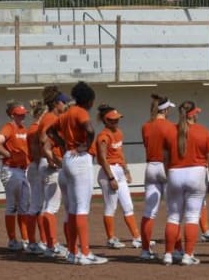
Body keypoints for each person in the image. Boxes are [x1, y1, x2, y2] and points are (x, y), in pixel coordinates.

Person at [48, 81, 108, 265]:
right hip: (80, 160)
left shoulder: (66, 113)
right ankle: (85, 253)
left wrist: (63, 144)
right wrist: (84, 146)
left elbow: (50, 130)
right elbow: (90, 130)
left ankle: (73, 253)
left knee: (73, 209)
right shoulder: (81, 112)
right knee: (81, 208)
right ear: (88, 100)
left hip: (67, 159)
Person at [161, 101, 209, 266]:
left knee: (173, 217)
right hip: (196, 173)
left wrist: (169, 174)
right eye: (196, 112)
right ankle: (188, 255)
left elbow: (165, 159)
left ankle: (168, 255)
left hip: (175, 173)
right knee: (192, 217)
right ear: (193, 114)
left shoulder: (170, 131)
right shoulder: (203, 131)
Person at [93, 104, 142, 250]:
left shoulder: (119, 133)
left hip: (119, 170)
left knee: (128, 205)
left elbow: (120, 153)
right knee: (111, 207)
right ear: (105, 120)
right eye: (112, 120)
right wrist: (111, 178)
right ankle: (111, 239)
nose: (116, 122)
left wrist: (126, 170)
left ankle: (137, 238)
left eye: (117, 119)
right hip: (109, 172)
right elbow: (102, 158)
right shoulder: (103, 135)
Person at [139, 94, 177, 259]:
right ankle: (175, 250)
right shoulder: (171, 127)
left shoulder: (146, 126)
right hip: (166, 167)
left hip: (151, 167)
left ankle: (145, 250)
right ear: (166, 109)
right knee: (173, 213)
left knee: (149, 212)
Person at [0, 100, 31, 251]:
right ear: (12, 115)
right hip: (11, 170)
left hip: (22, 170)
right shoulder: (9, 127)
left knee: (23, 206)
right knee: (12, 206)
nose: (22, 117)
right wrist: (9, 155)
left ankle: (26, 239)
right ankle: (13, 240)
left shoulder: (23, 129)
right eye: (19, 115)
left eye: (23, 115)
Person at [38, 86, 70, 258]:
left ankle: (48, 243)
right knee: (52, 206)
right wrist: (53, 160)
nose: (65, 105)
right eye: (63, 102)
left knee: (47, 206)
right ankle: (52, 245)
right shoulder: (51, 118)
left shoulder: (48, 117)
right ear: (56, 103)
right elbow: (44, 141)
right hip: (52, 166)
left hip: (47, 164)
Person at [23, 99, 47, 255]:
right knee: (37, 206)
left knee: (38, 206)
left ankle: (40, 241)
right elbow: (36, 150)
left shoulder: (34, 128)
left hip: (34, 166)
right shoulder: (35, 129)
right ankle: (33, 242)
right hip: (36, 166)